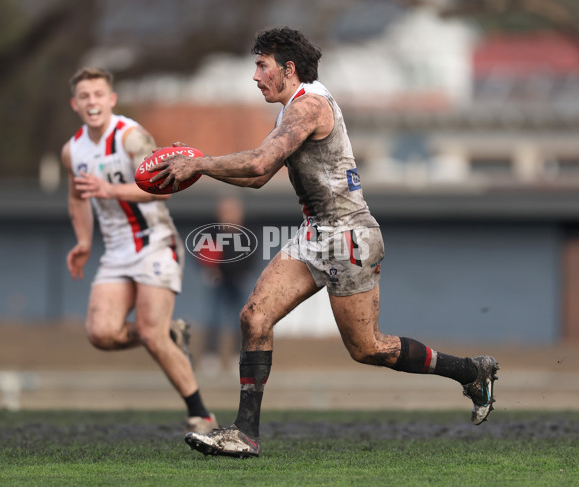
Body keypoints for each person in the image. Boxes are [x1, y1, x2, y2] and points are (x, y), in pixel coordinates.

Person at [151, 27, 499, 458]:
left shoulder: (310, 106)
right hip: (316, 232)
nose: (255, 76)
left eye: (262, 65)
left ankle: (471, 371)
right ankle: (244, 433)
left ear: (288, 68)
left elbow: (259, 161)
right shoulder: (292, 109)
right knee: (254, 317)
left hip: (349, 235)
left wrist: (198, 162)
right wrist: (200, 170)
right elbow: (259, 177)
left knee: (367, 349)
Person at [61, 67, 217, 433]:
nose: (92, 102)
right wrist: (83, 242)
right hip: (116, 251)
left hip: (154, 243)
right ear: (75, 104)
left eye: (98, 94)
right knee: (101, 333)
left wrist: (111, 190)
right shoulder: (73, 150)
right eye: (84, 96)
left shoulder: (130, 137)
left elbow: (164, 187)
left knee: (150, 332)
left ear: (111, 99)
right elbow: (77, 197)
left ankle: (201, 414)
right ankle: (172, 335)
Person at [197, 196, 254, 371]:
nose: (229, 215)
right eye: (226, 211)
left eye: (233, 211)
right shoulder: (211, 230)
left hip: (238, 281)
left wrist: (243, 273)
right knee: (214, 318)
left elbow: (252, 254)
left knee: (242, 320)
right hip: (218, 282)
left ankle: (239, 357)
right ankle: (210, 357)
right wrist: (209, 270)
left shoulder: (247, 231)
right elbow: (202, 253)